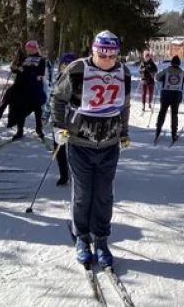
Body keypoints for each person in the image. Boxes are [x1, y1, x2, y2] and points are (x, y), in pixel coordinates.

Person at [51, 30, 131, 267]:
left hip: (109, 144)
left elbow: (124, 105)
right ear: (93, 50)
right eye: (101, 54)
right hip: (80, 143)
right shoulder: (77, 69)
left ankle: (101, 238)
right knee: (83, 194)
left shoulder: (123, 72)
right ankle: (82, 238)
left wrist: (124, 132)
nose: (106, 59)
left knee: (104, 195)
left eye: (111, 55)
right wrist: (58, 126)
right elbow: (58, 98)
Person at [7, 40, 48, 140]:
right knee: (21, 110)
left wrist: (25, 71)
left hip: (36, 89)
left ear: (35, 48)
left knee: (38, 111)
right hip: (24, 89)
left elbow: (40, 72)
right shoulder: (26, 59)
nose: (28, 50)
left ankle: (39, 130)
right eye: (27, 48)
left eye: (30, 48)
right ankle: (19, 131)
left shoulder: (41, 59)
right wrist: (14, 68)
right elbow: (20, 71)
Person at [154, 55, 184, 143]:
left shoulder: (166, 70)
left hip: (165, 94)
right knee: (174, 114)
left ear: (171, 63)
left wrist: (162, 78)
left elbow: (156, 77)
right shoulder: (181, 72)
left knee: (162, 112)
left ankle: (158, 130)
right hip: (176, 95)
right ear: (179, 64)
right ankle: (174, 134)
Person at [53, 52, 76, 186]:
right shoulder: (57, 78)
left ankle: (77, 173)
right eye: (64, 64)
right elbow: (53, 99)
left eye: (70, 64)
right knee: (59, 148)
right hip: (59, 121)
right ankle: (64, 175)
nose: (66, 67)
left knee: (74, 149)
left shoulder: (78, 80)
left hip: (74, 121)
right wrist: (47, 116)